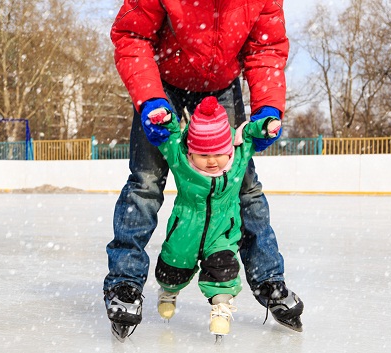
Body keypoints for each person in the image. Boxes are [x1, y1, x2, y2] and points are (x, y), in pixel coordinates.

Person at [103, 0, 304, 341]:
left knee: (242, 185)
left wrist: (268, 106)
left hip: (221, 86)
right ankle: (125, 284)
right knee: (145, 182)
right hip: (161, 83)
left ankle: (269, 278)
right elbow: (132, 34)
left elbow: (266, 47)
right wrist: (150, 98)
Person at [151, 96, 281, 337]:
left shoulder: (238, 158)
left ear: (229, 149)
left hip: (223, 230)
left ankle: (221, 307)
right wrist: (165, 118)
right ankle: (168, 291)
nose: (211, 161)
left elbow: (250, 134)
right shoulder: (181, 160)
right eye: (203, 155)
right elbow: (170, 137)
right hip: (185, 229)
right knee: (173, 266)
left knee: (224, 269)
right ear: (191, 152)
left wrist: (267, 125)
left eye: (218, 153)